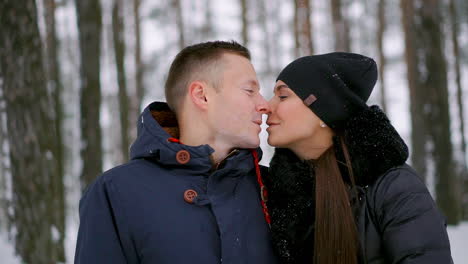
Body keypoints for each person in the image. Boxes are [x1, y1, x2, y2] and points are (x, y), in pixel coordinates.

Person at [74, 41, 278, 264]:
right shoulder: (117, 193)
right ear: (202, 95)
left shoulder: (272, 189)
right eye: (250, 91)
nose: (264, 105)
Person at [263, 52, 453, 264]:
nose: (267, 106)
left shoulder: (395, 188)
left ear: (323, 111)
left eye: (283, 96)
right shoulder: (274, 193)